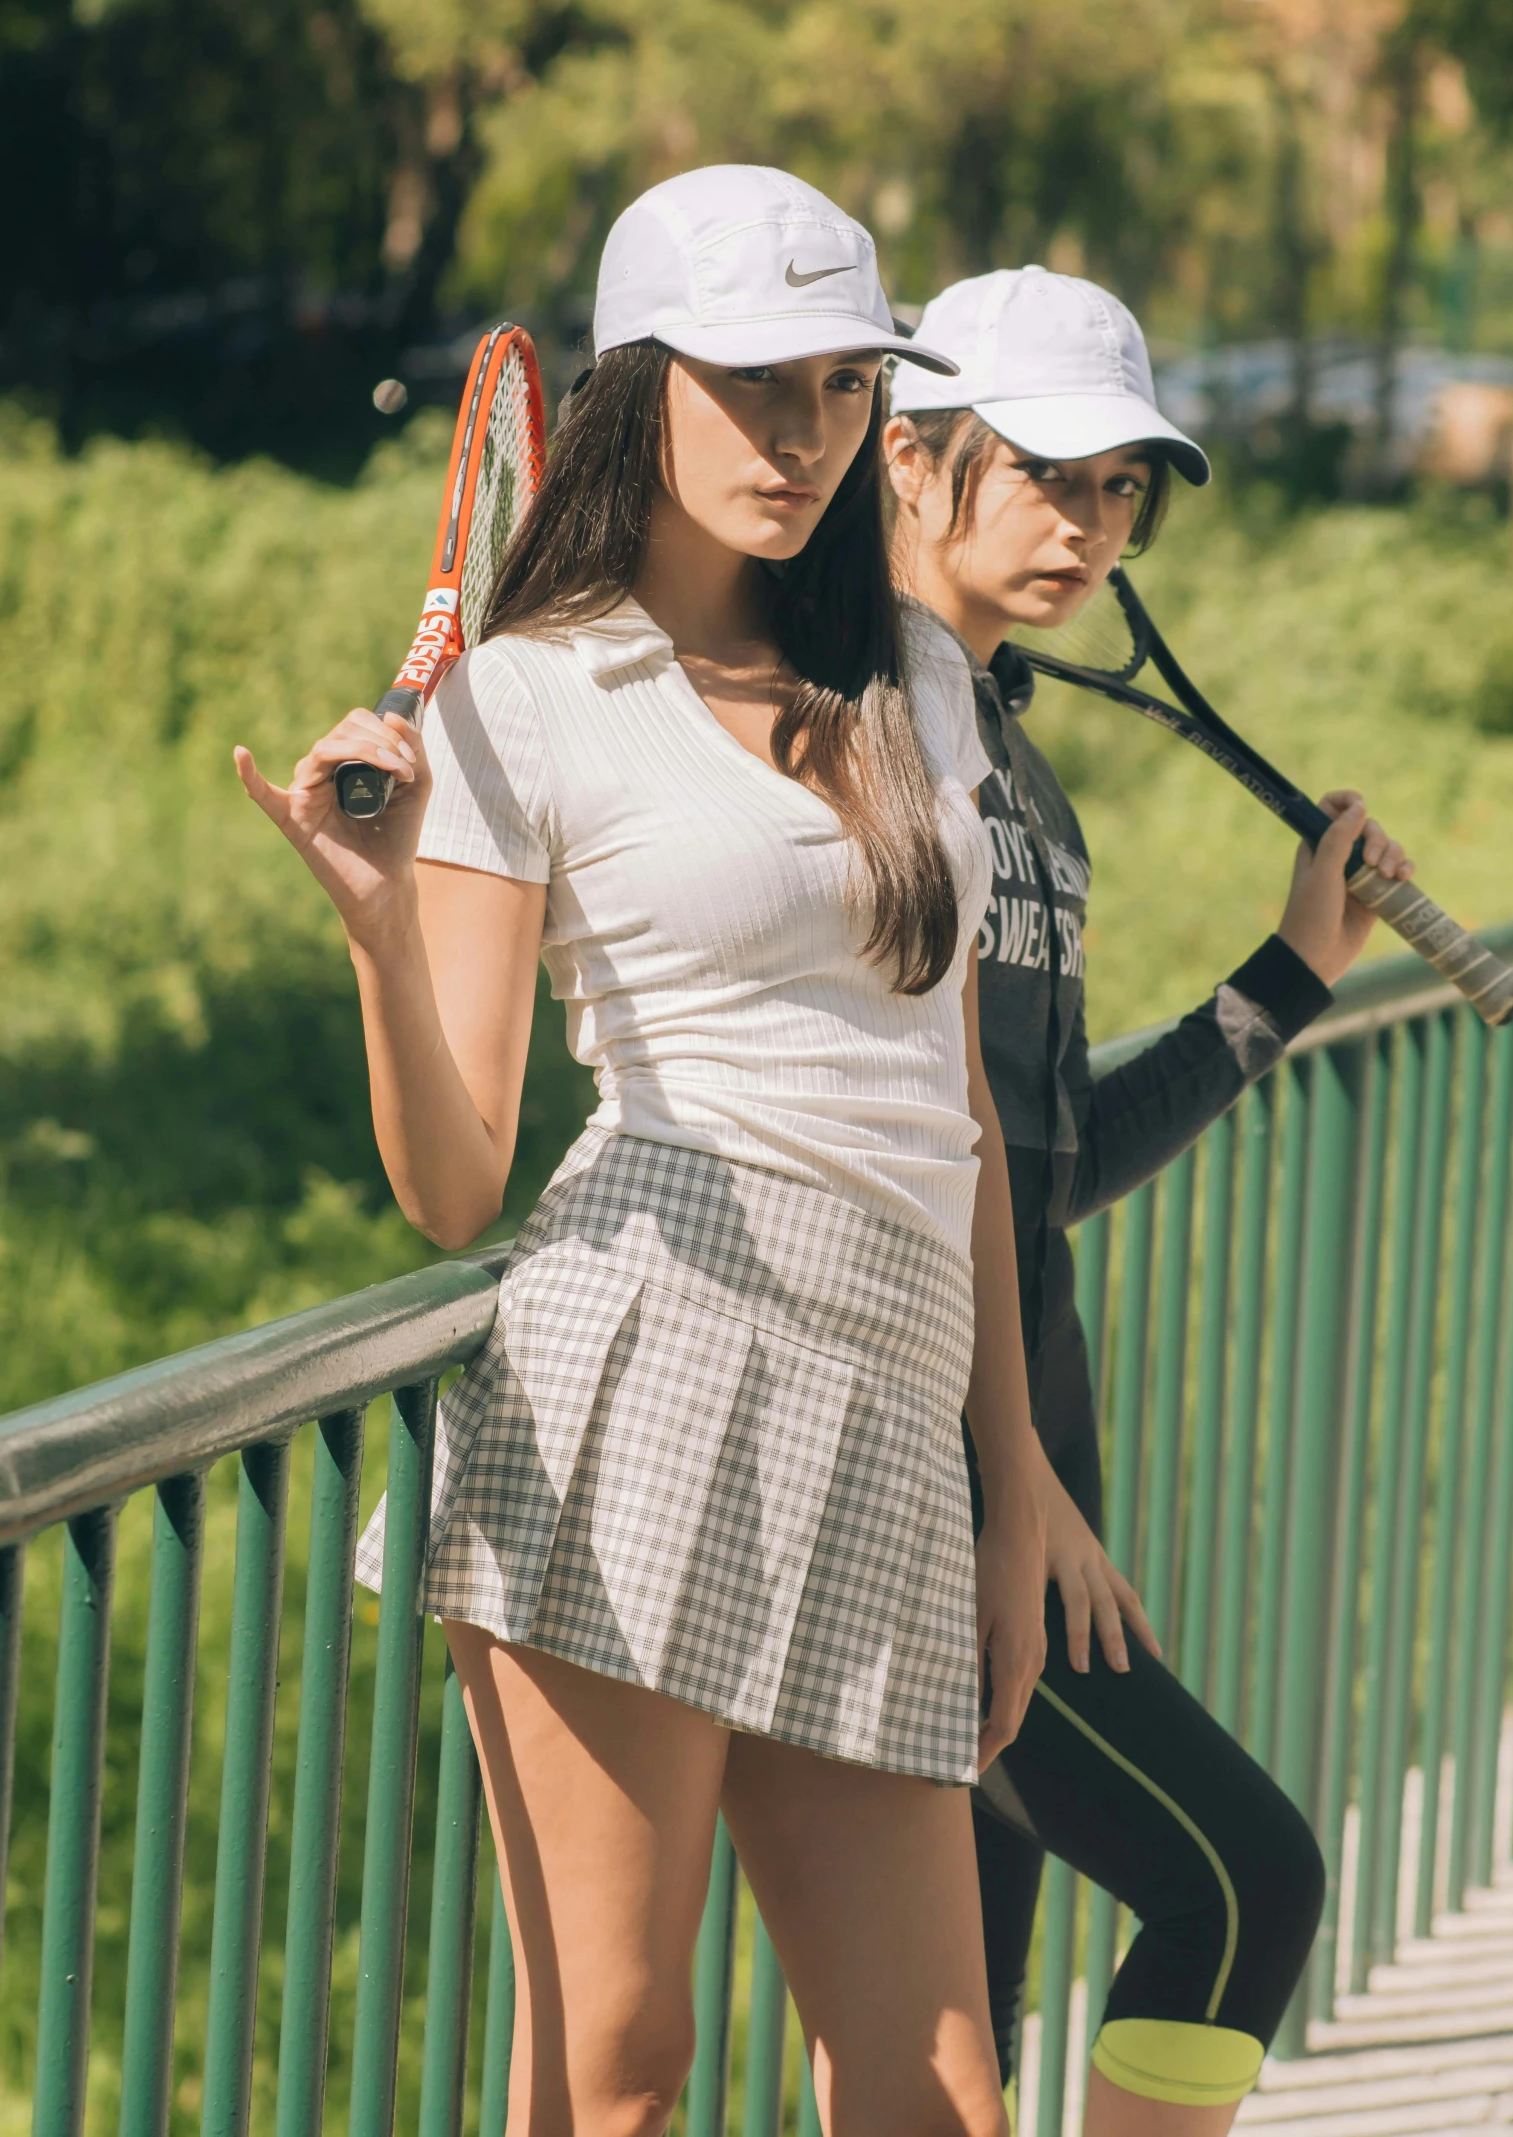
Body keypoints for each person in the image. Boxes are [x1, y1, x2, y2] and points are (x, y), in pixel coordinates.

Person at [236, 168, 1080, 2137]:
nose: (807, 439)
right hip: (642, 1382)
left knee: (937, 2078)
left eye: (845, 390)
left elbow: (948, 1100)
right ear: (640, 386)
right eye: (755, 385)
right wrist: (377, 924)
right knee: (618, 2064)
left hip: (884, 1417)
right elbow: (456, 1188)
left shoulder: (915, 686)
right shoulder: (524, 699)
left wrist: (1013, 1463)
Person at [884, 266, 1414, 2137]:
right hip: (939, 1477)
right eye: (1047, 474)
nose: (1091, 526)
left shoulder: (1015, 767)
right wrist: (1003, 1480)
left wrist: (1280, 981)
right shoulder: (867, 730)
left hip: (1025, 1465)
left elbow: (1048, 1168)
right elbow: (899, 1156)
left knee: (965, 2036)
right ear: (908, 455)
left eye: (1124, 490)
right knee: (1239, 1882)